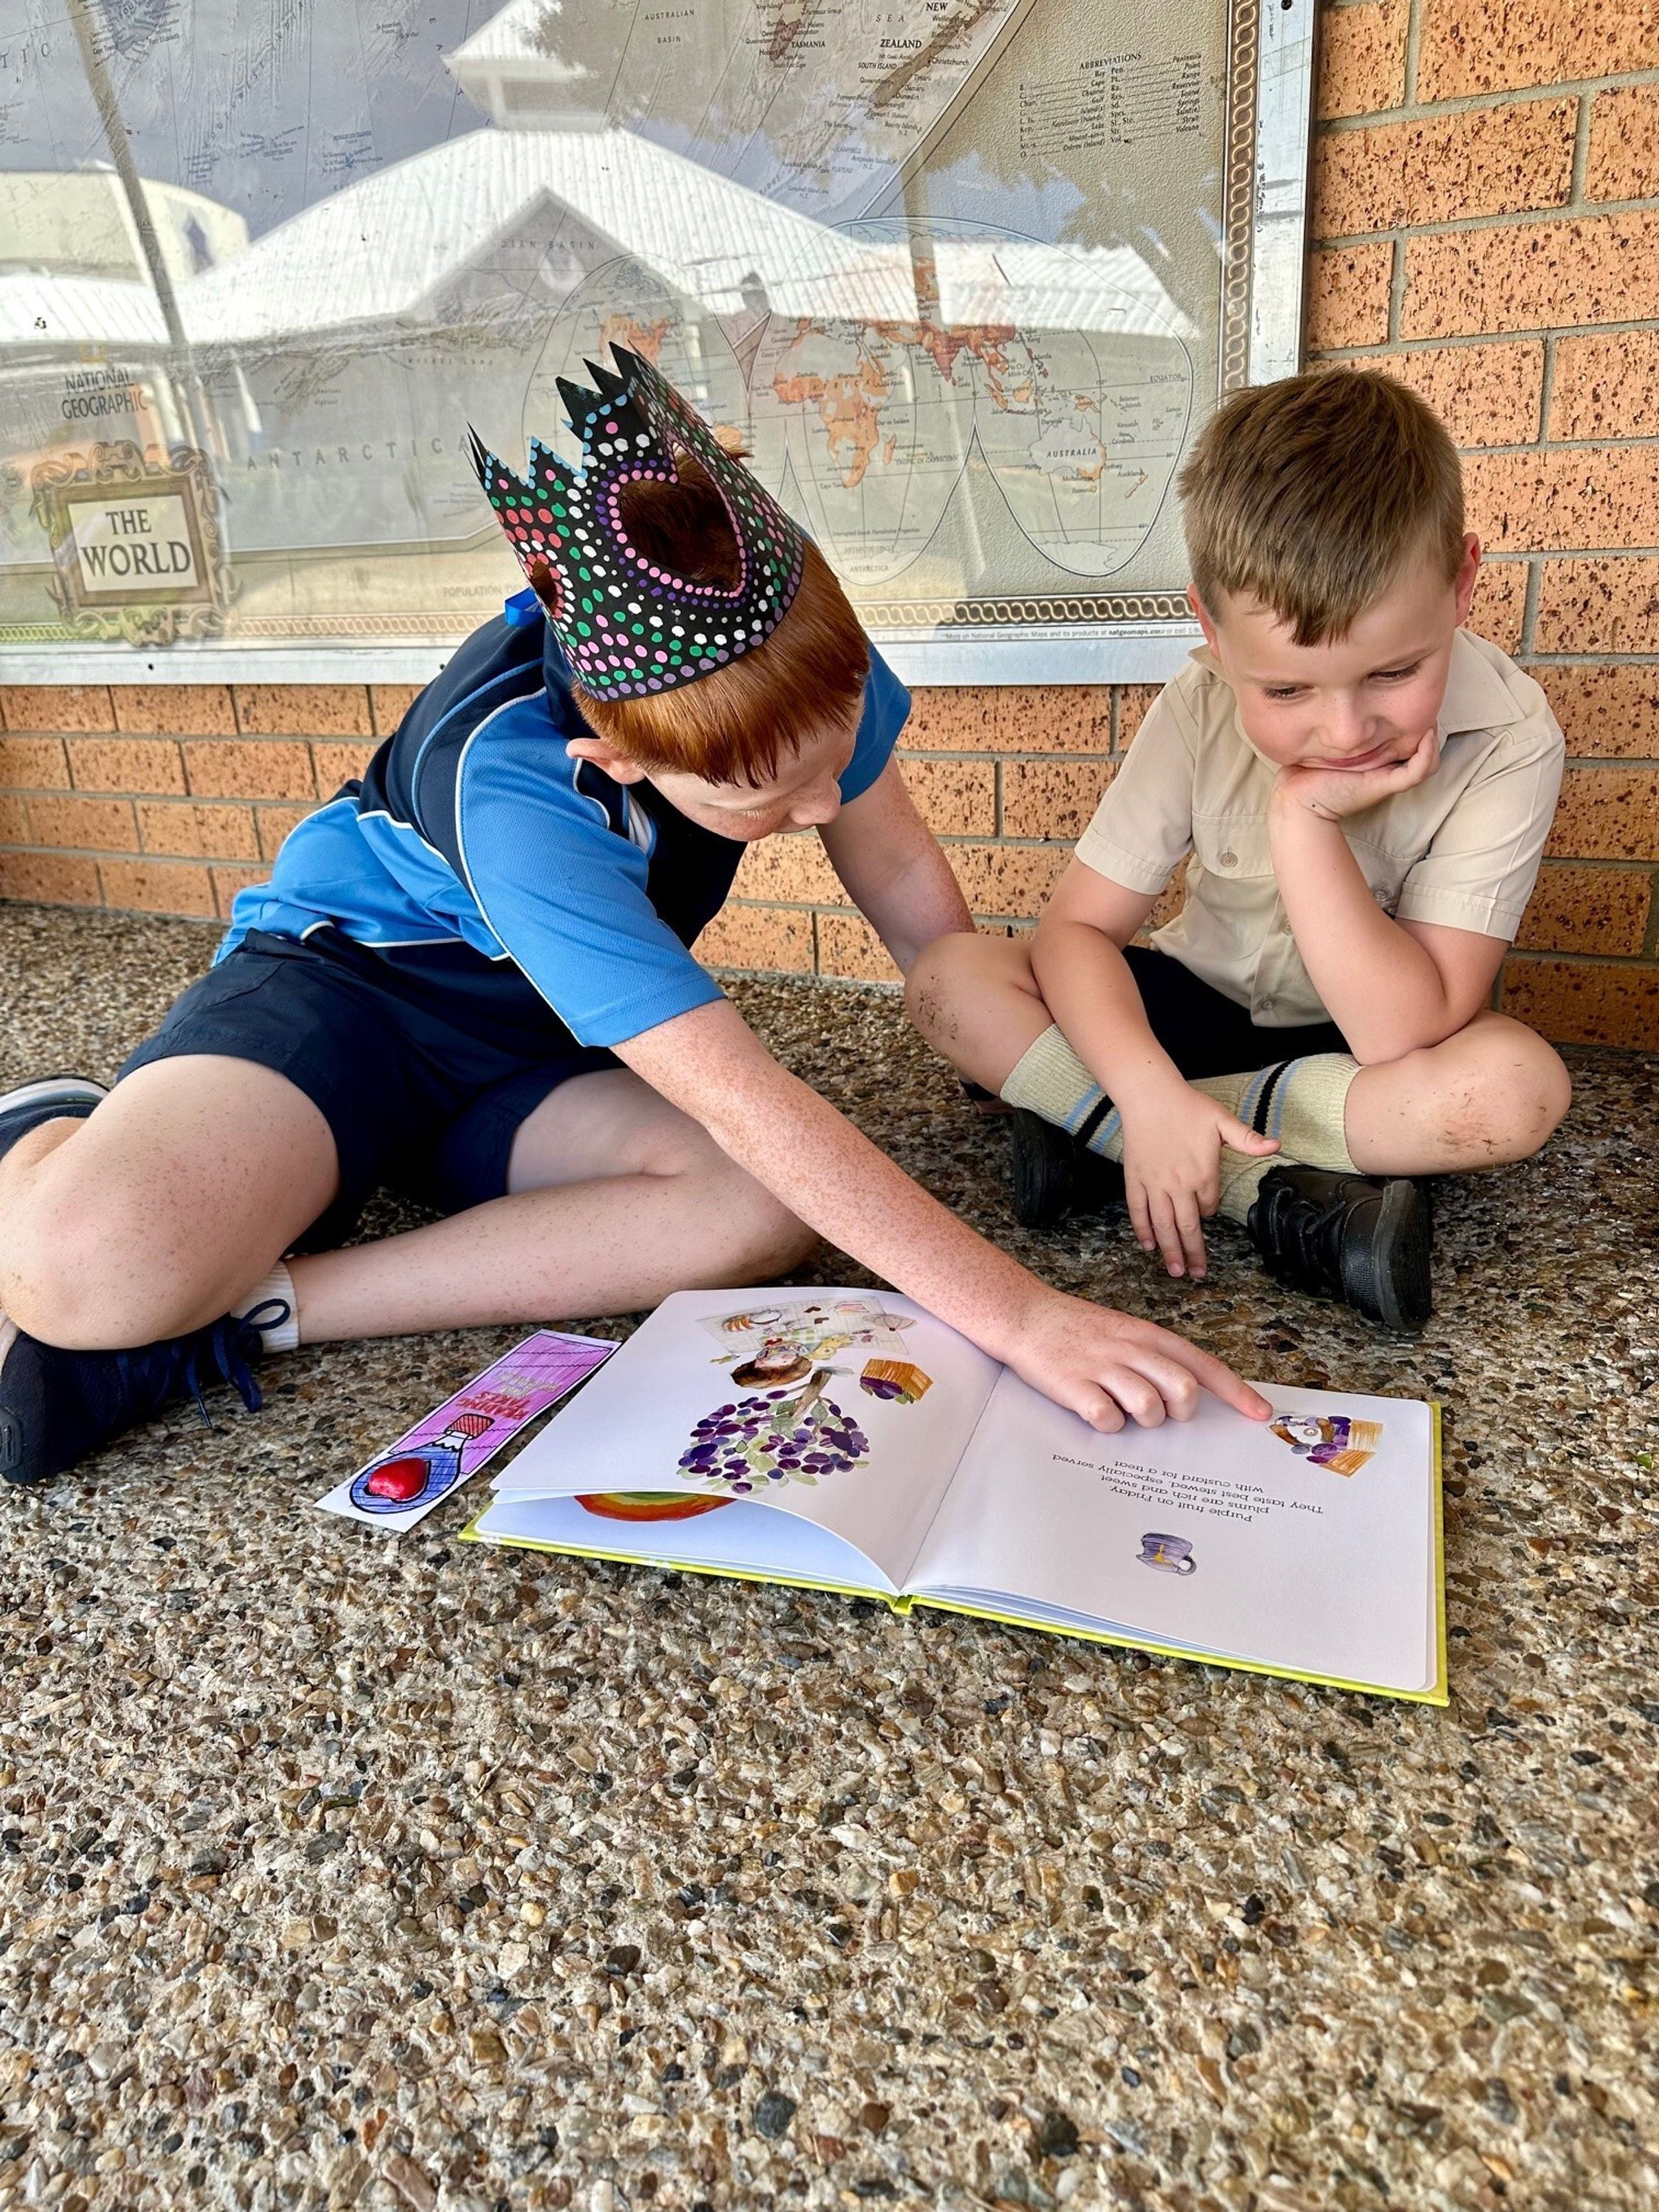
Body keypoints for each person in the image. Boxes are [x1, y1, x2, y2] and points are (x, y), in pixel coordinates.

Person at [0, 347, 1265, 1487]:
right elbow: (749, 1097)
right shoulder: (510, 788)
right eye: (770, 798)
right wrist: (1024, 1315)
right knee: (83, 1269)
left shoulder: (792, 654)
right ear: (617, 761)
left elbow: (909, 899)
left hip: (538, 1052)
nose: (827, 805)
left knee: (754, 1210)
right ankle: (53, 1129)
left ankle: (267, 1307)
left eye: (835, 758)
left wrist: (1028, 1075)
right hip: (344, 999)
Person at [907, 369, 1571, 1332]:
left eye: (1394, 671)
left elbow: (1402, 1033)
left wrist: (1304, 820)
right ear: (1211, 630)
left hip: (1354, 1058)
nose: (1345, 730)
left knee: (1515, 1089)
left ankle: (1086, 1131)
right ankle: (1255, 1185)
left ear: (1462, 584)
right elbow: (1075, 934)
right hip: (1197, 1005)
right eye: (1288, 691)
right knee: (951, 976)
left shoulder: (1511, 737)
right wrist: (1146, 1093)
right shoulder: (1198, 701)